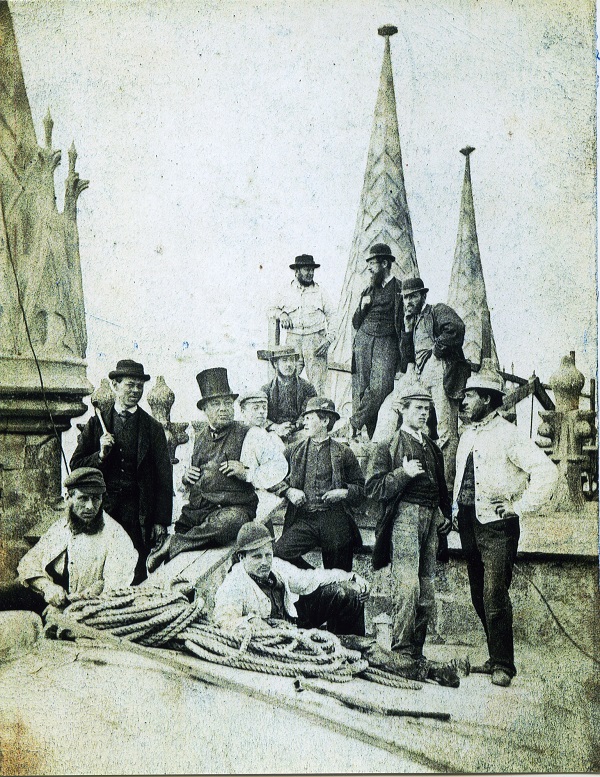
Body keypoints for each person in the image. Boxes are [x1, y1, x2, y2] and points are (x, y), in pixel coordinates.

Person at [454, 368, 558, 687]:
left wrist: (517, 506)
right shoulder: (468, 434)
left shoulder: (509, 434)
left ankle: (504, 665)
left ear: (487, 399)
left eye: (470, 396)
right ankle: (494, 655)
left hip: (499, 527)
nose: (463, 402)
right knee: (477, 594)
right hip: (470, 524)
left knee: (494, 593)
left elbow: (546, 473)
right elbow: (462, 479)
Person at [365, 381, 452, 660]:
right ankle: (401, 649)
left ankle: (416, 650)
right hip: (404, 516)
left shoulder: (432, 447)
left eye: (427, 409)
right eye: (417, 408)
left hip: (430, 519)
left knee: (426, 585)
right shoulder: (387, 446)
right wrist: (403, 473)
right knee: (407, 584)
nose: (424, 413)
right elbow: (374, 488)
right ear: (403, 410)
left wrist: (444, 516)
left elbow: (439, 487)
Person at [70, 359, 173, 583]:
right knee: (100, 567)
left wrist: (160, 521)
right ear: (115, 386)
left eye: (139, 386)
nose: (136, 390)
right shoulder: (97, 424)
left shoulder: (153, 428)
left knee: (134, 570)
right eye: (130, 385)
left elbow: (164, 478)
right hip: (102, 510)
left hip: (137, 512)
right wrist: (100, 455)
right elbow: (75, 465)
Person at [169, 368, 288, 559]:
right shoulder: (196, 438)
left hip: (234, 510)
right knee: (181, 528)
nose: (223, 408)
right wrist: (185, 477)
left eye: (227, 403)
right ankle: (176, 544)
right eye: (216, 403)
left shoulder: (250, 434)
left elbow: (280, 466)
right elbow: (181, 479)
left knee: (233, 522)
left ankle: (173, 544)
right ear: (205, 409)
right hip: (199, 511)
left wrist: (248, 473)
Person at [0, 468, 137, 614]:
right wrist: (47, 587)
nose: (90, 506)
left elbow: (112, 592)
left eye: (96, 498)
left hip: (82, 608)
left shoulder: (117, 536)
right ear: (68, 498)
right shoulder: (61, 526)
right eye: (83, 498)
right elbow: (29, 562)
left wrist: (66, 608)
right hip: (46, 596)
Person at [213, 523, 369, 636]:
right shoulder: (233, 584)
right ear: (242, 557)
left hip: (294, 623)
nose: (265, 562)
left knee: (349, 592)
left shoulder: (276, 566)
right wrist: (252, 622)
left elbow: (309, 579)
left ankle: (348, 651)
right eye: (256, 557)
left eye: (268, 555)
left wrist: (351, 576)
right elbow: (223, 620)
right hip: (274, 639)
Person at [273, 397, 365, 572]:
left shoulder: (344, 452)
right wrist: (288, 491)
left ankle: (332, 588)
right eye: (304, 418)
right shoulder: (294, 450)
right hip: (304, 518)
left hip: (335, 519)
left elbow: (361, 489)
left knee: (339, 574)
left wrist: (344, 492)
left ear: (325, 421)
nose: (304, 422)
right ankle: (315, 580)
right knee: (278, 553)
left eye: (309, 418)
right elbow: (271, 476)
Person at [399, 277, 470, 489]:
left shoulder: (436, 311)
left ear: (423, 296)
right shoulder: (412, 321)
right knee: (423, 429)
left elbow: (456, 327)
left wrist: (436, 352)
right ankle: (429, 480)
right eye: (405, 298)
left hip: (440, 373)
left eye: (413, 296)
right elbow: (407, 357)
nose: (409, 301)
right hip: (422, 377)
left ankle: (447, 485)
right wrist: (407, 330)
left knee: (446, 430)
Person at [349, 243, 407, 439]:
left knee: (381, 388)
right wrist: (362, 308)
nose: (370, 268)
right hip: (364, 340)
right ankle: (374, 439)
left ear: (384, 264)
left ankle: (354, 422)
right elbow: (356, 322)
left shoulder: (400, 289)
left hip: (387, 342)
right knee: (364, 389)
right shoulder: (368, 290)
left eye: (373, 264)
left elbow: (405, 321)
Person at [271, 254, 335, 395]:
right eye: (307, 269)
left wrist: (329, 339)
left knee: (317, 385)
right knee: (288, 381)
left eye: (312, 270)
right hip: (293, 341)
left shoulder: (320, 291)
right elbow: (270, 309)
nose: (310, 273)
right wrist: (282, 314)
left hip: (316, 342)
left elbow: (333, 316)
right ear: (297, 271)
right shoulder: (285, 291)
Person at [261, 345, 317, 441]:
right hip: (275, 432)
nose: (289, 364)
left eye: (292, 360)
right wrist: (275, 427)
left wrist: (295, 426)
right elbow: (261, 416)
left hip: (300, 431)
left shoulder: (307, 387)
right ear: (275, 364)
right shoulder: (266, 390)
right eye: (284, 360)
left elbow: (310, 412)